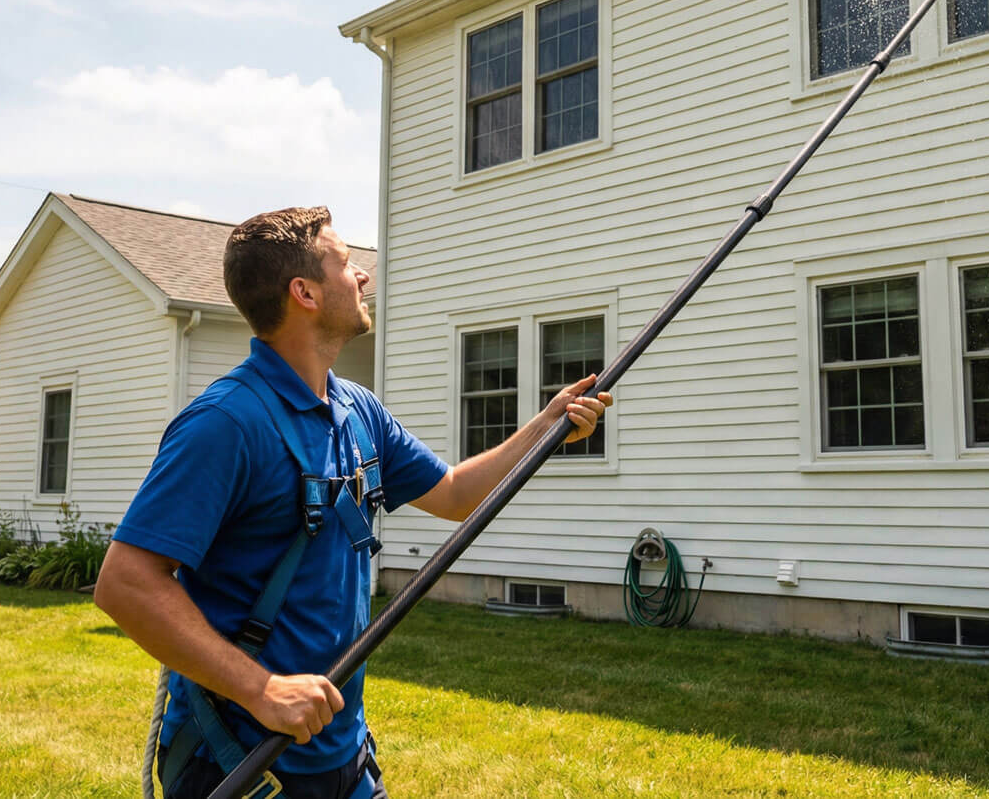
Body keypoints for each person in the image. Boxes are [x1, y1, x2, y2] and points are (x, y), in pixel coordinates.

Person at [94, 206, 611, 799]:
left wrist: (544, 427)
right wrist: (262, 689)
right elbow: (126, 582)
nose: (363, 275)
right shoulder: (225, 423)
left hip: (344, 756)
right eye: (345, 262)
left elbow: (455, 494)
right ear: (304, 292)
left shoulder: (358, 410)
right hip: (243, 763)